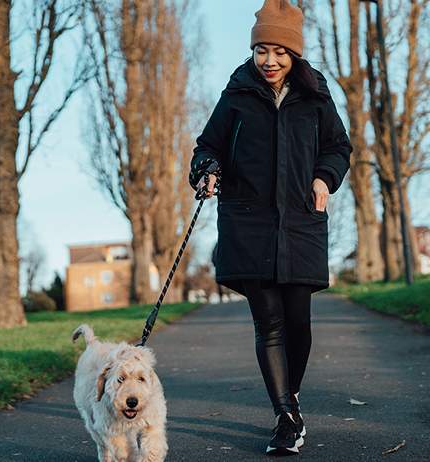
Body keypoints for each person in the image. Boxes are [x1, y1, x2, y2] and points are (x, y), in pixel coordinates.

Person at [188, 0, 353, 456]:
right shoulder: (238, 93)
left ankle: (290, 397)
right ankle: (286, 417)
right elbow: (208, 145)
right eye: (262, 50)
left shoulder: (316, 95)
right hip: (248, 222)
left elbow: (339, 146)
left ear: (294, 53)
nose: (269, 61)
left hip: (301, 221)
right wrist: (207, 169)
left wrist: (324, 177)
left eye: (279, 51)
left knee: (298, 321)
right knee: (270, 323)